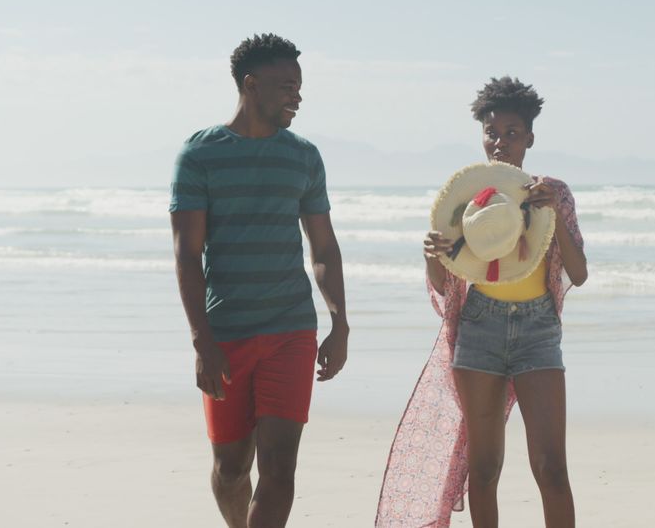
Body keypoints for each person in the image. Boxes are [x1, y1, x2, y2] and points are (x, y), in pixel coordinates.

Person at [376, 77, 587, 527]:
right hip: (479, 329)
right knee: (485, 468)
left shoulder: (554, 192)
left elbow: (579, 273)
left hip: (538, 330)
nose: (500, 143)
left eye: (512, 133)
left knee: (551, 467)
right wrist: (431, 254)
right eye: (492, 133)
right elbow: (444, 284)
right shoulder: (467, 201)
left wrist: (553, 215)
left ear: (530, 138)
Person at [169, 33, 349, 528]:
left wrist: (340, 321)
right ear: (251, 85)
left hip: (291, 329)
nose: (297, 96)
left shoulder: (304, 156)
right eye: (286, 85)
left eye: (299, 86)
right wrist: (202, 339)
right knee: (231, 469)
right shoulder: (199, 155)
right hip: (226, 333)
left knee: (279, 470)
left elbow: (324, 248)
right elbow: (187, 255)